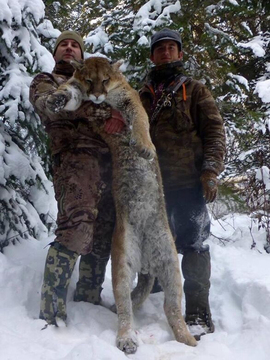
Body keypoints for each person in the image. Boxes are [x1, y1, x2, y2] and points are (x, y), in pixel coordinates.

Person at [29, 30, 124, 326]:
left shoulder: (99, 81)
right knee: (76, 226)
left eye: (75, 45)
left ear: (83, 55)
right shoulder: (48, 80)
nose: (69, 48)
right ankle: (51, 311)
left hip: (108, 162)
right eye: (64, 45)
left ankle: (89, 296)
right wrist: (99, 112)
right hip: (74, 159)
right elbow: (52, 106)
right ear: (56, 53)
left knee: (104, 229)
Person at [139, 28, 226, 338]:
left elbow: (214, 132)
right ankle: (149, 296)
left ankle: (198, 312)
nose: (165, 52)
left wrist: (210, 171)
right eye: (160, 48)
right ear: (152, 55)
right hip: (150, 187)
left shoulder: (195, 89)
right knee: (150, 244)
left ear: (180, 53)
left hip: (188, 183)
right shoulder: (142, 95)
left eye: (171, 48)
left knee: (194, 245)